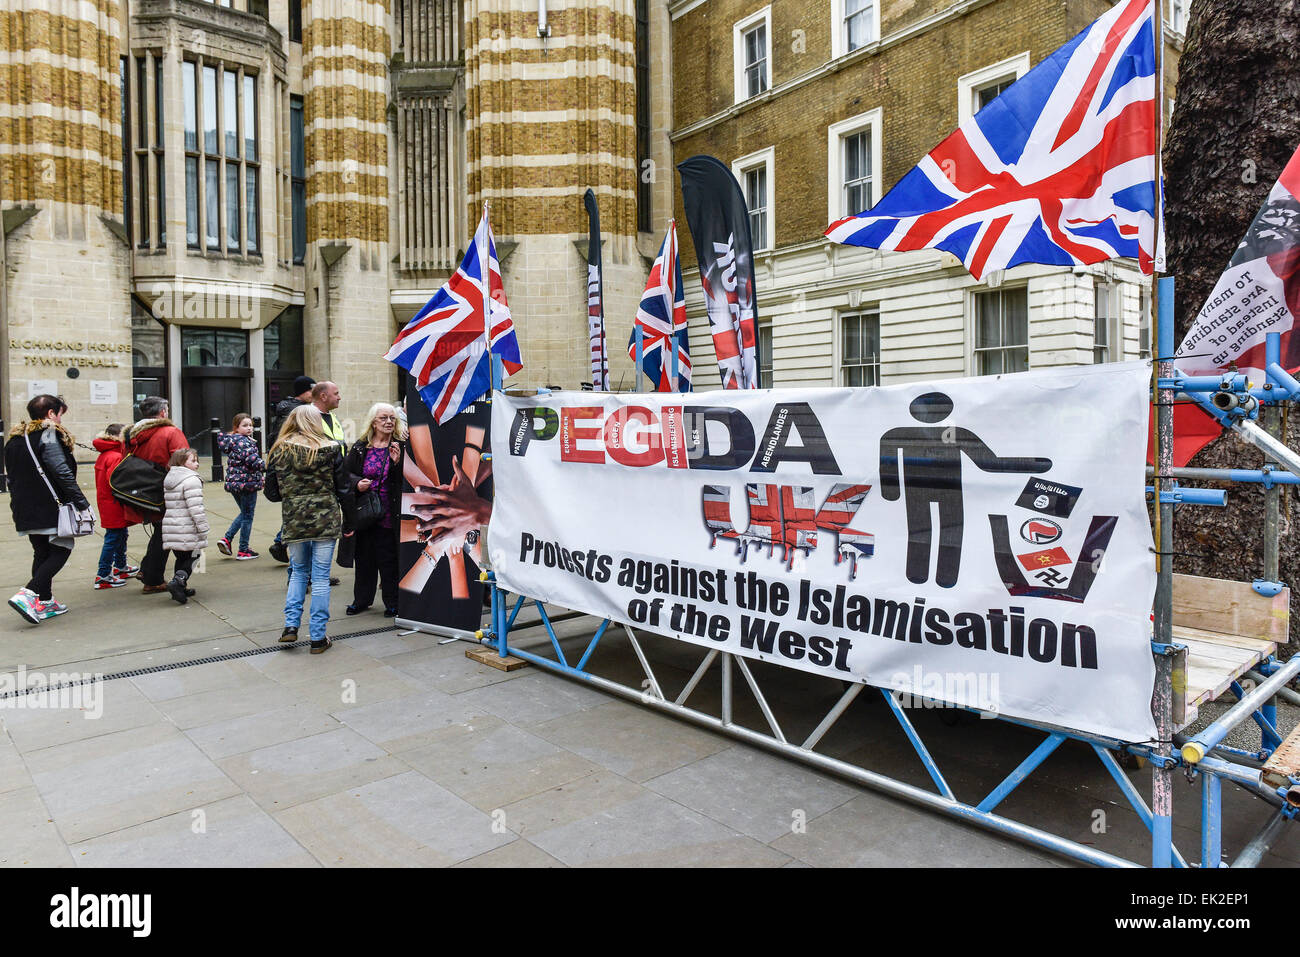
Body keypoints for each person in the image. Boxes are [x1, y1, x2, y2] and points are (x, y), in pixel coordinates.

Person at [264, 405, 355, 653]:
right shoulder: (331, 449)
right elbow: (344, 489)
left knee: (298, 573)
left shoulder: (279, 450)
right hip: (325, 518)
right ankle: (317, 637)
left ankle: (290, 626)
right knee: (321, 578)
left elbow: (271, 493)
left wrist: (294, 495)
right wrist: (350, 521)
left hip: (294, 519)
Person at [5, 394, 93, 623]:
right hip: (49, 506)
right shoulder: (48, 434)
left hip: (24, 507)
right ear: (51, 414)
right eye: (60, 414)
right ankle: (29, 594)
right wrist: (80, 501)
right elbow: (61, 471)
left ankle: (44, 601)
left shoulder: (15, 439)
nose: (62, 420)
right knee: (62, 548)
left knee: (42, 552)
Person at [343, 403, 406, 617]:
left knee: (388, 560)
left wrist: (397, 464)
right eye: (384, 418)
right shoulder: (361, 447)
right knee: (364, 559)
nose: (389, 422)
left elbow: (407, 481)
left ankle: (393, 602)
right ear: (373, 422)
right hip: (365, 512)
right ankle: (361, 600)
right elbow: (346, 474)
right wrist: (358, 482)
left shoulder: (401, 446)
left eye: (392, 418)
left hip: (389, 512)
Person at [124, 396, 190, 594]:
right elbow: (183, 463)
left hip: (143, 493)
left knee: (161, 530)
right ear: (163, 413)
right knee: (172, 535)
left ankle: (148, 572)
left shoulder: (131, 435)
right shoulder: (170, 432)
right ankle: (156, 578)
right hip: (169, 492)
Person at [267, 375, 314, 564]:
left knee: (298, 511)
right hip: (295, 469)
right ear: (304, 391)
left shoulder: (288, 409)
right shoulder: (296, 412)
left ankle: (281, 543)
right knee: (300, 512)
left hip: (289, 469)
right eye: (311, 390)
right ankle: (282, 544)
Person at [92, 423, 140, 588]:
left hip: (108, 502)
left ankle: (120, 567)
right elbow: (116, 481)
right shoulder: (114, 456)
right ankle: (103, 575)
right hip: (114, 503)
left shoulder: (106, 454)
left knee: (120, 535)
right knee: (113, 538)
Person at [161, 448, 209, 604]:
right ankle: (178, 581)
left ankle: (180, 586)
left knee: (181, 557)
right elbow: (196, 508)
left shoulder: (171, 478)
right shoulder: (191, 480)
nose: (197, 464)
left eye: (197, 460)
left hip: (172, 525)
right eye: (193, 461)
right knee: (195, 555)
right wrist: (203, 527)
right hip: (187, 526)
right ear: (182, 462)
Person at [216, 413, 264, 560]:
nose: (249, 428)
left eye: (250, 425)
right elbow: (253, 461)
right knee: (248, 516)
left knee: (244, 513)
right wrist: (269, 466)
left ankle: (227, 540)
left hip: (235, 483)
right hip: (247, 484)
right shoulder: (244, 442)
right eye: (245, 425)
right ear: (236, 428)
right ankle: (243, 550)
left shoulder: (233, 441)